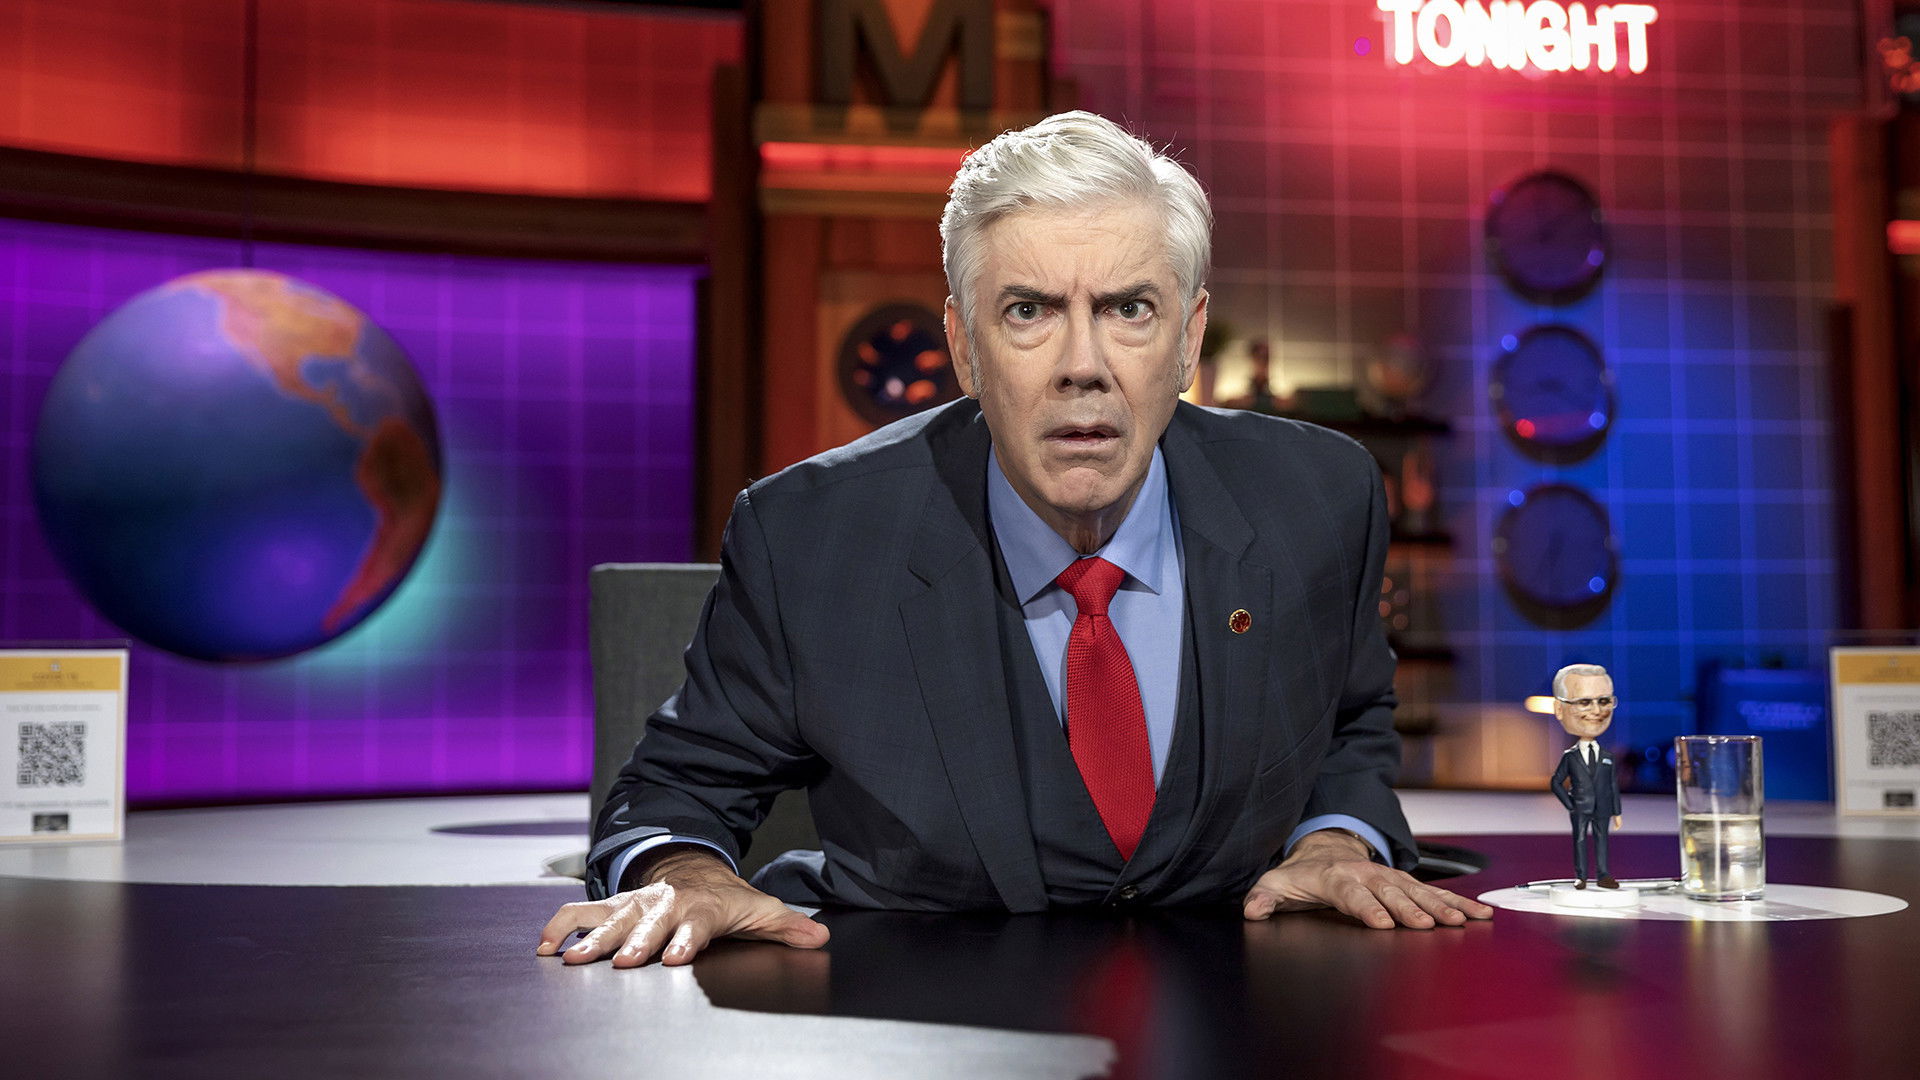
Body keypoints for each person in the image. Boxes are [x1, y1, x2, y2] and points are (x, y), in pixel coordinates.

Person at [538, 111, 1493, 969]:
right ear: (963, 345)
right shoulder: (811, 537)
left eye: (1128, 309)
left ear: (1189, 336)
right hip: (917, 1016)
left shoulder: (1317, 498)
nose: (1084, 366)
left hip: (1249, 1017)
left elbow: (1349, 720)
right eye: (1029, 311)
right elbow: (677, 790)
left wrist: (1336, 839)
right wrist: (688, 876)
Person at [1547, 663, 1622, 889]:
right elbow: (1556, 782)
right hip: (1580, 807)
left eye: (1604, 701)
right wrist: (1571, 804)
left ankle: (1603, 875)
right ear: (1559, 708)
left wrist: (1617, 812)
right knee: (1579, 840)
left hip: (1603, 808)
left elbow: (1613, 785)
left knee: (1602, 841)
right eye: (1584, 702)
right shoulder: (1570, 756)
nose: (1597, 710)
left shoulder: (1607, 756)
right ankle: (1581, 876)